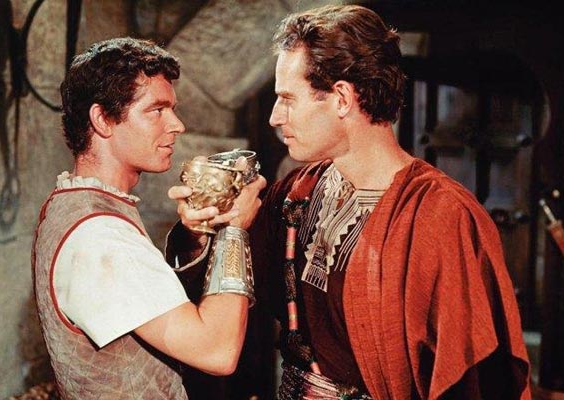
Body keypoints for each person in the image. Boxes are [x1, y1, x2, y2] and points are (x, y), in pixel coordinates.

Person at [171, 5, 531, 400]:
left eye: (288, 99)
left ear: (342, 98)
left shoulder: (441, 215)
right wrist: (201, 230)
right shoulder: (298, 191)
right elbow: (227, 300)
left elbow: (474, 377)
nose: (275, 117)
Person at [31, 37, 265, 399]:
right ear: (102, 119)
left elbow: (147, 305)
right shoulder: (100, 236)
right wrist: (235, 231)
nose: (177, 125)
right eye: (156, 110)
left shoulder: (76, 203)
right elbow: (217, 352)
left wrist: (194, 236)